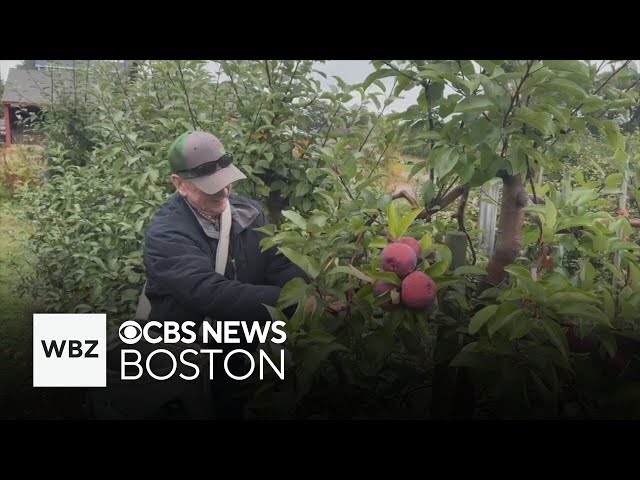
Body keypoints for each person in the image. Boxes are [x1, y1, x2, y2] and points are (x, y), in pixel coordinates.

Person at [142, 130, 308, 418]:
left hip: (239, 350)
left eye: (227, 181)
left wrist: (309, 290)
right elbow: (210, 293)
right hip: (187, 355)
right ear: (179, 184)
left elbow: (278, 263)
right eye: (210, 186)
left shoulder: (250, 212)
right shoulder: (167, 234)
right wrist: (293, 304)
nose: (224, 192)